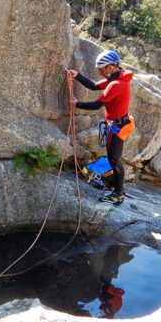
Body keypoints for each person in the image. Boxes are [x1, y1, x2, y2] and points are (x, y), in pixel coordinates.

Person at [67, 50, 135, 205]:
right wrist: (77, 75)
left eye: (102, 69)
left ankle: (118, 194)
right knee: (114, 160)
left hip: (117, 127)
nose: (100, 72)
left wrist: (76, 104)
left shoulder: (116, 84)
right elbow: (93, 86)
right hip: (119, 123)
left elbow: (97, 105)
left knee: (114, 160)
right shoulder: (117, 78)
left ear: (111, 67)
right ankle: (119, 190)